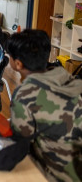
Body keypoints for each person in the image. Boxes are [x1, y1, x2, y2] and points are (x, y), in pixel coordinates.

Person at [6, 29, 82, 182]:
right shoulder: (71, 80)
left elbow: (20, 144)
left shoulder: (24, 95)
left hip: (56, 175)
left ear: (18, 64)